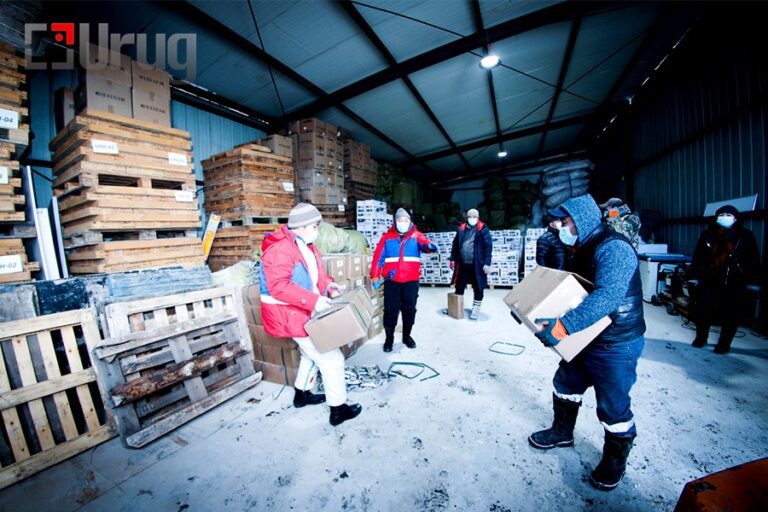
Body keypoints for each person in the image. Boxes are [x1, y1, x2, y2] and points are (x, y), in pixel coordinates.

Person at [527, 194, 645, 492]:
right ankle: (562, 431)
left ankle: (615, 461)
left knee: (613, 405)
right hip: (588, 334)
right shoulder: (579, 246)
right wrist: (534, 312)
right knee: (565, 383)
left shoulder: (614, 248)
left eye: (564, 221)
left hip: (616, 341)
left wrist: (564, 326)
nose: (559, 227)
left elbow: (608, 296)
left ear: (581, 220)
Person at [260, 203, 362, 427]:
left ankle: (302, 394)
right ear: (301, 226)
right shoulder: (280, 250)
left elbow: (316, 275)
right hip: (291, 314)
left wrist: (328, 285)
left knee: (310, 355)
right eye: (315, 225)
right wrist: (314, 300)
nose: (317, 230)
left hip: (304, 311)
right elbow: (278, 287)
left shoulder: (306, 245)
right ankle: (338, 410)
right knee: (332, 359)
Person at [689, 204, 759, 354]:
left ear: (736, 218)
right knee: (703, 310)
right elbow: (698, 257)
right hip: (710, 280)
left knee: (731, 314)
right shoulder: (708, 235)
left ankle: (724, 344)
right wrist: (696, 275)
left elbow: (752, 260)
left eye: (729, 216)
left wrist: (749, 279)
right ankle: (701, 337)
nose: (725, 218)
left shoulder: (745, 236)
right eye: (722, 215)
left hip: (735, 282)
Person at [370, 208, 437, 352]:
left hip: (411, 282)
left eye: (405, 220)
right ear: (395, 222)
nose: (403, 223)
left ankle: (406, 337)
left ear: (410, 222)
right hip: (392, 281)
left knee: (409, 310)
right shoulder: (387, 238)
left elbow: (425, 243)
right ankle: (389, 339)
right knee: (390, 311)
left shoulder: (416, 236)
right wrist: (375, 275)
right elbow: (378, 258)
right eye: (400, 220)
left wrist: (429, 246)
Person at [450, 208, 493, 320]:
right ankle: (456, 307)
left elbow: (488, 247)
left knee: (478, 286)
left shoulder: (483, 229)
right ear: (467, 218)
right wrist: (452, 259)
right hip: (463, 264)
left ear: (478, 218)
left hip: (477, 265)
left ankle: (476, 309)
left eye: (474, 217)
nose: (472, 219)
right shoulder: (461, 229)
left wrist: (487, 263)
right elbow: (455, 245)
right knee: (459, 285)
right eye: (470, 217)